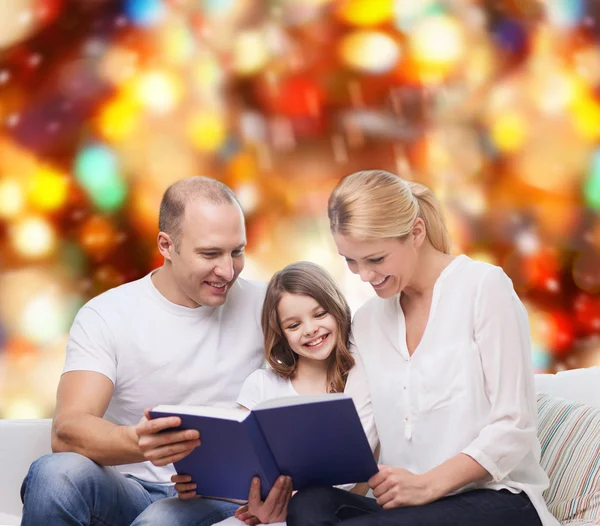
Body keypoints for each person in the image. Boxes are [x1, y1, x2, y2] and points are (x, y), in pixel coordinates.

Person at [286, 170, 560, 526]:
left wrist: (427, 485)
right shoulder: (368, 321)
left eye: (376, 259)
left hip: (499, 501)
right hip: (411, 511)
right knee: (310, 505)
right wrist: (284, 490)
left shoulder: (484, 288)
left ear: (416, 233)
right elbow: (358, 433)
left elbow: (514, 427)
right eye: (351, 261)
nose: (363, 275)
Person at [20, 177, 268, 526]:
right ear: (166, 245)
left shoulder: (269, 307)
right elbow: (66, 430)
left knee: (158, 522)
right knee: (54, 474)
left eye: (237, 251)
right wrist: (136, 442)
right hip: (131, 489)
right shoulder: (107, 314)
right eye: (210, 253)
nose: (228, 270)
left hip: (223, 498)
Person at [159, 262, 379, 526]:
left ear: (338, 309)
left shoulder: (361, 379)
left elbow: (361, 482)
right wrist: (201, 486)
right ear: (281, 334)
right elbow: (241, 468)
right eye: (294, 325)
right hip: (264, 514)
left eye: (320, 314)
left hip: (331, 512)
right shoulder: (262, 385)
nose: (310, 329)